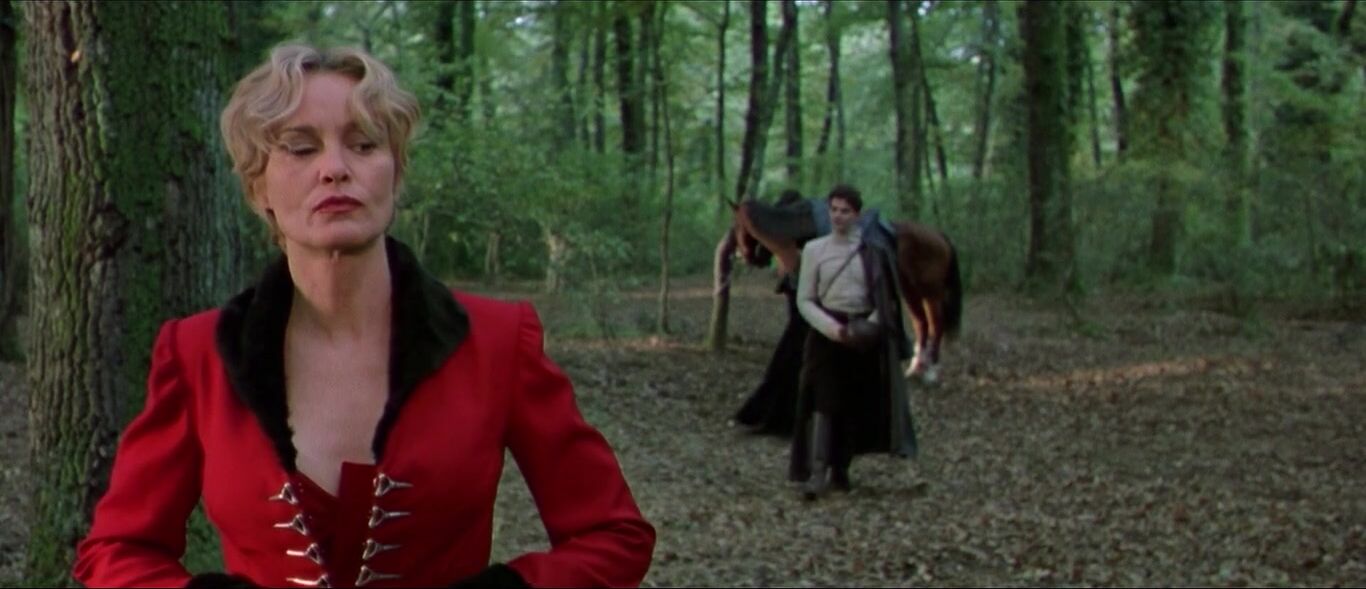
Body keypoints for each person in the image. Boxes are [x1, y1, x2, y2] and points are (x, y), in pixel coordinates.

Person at [72, 44, 655, 588]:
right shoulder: (197, 353)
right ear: (257, 188)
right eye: (301, 148)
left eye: (364, 144)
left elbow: (614, 536)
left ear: (395, 173)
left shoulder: (498, 342)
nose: (335, 168)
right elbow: (116, 550)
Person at [788, 185, 917, 500]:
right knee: (823, 401)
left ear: (856, 214)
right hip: (826, 335)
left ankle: (841, 471)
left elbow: (885, 300)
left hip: (863, 336)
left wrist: (868, 326)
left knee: (854, 404)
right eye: (834, 210)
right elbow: (805, 299)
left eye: (845, 211)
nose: (838, 216)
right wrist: (834, 330)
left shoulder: (874, 251)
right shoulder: (814, 250)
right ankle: (817, 473)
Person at [732, 189, 810, 437]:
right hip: (802, 316)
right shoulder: (790, 243)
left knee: (787, 363)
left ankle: (778, 419)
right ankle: (777, 418)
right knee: (787, 364)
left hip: (806, 318)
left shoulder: (793, 246)